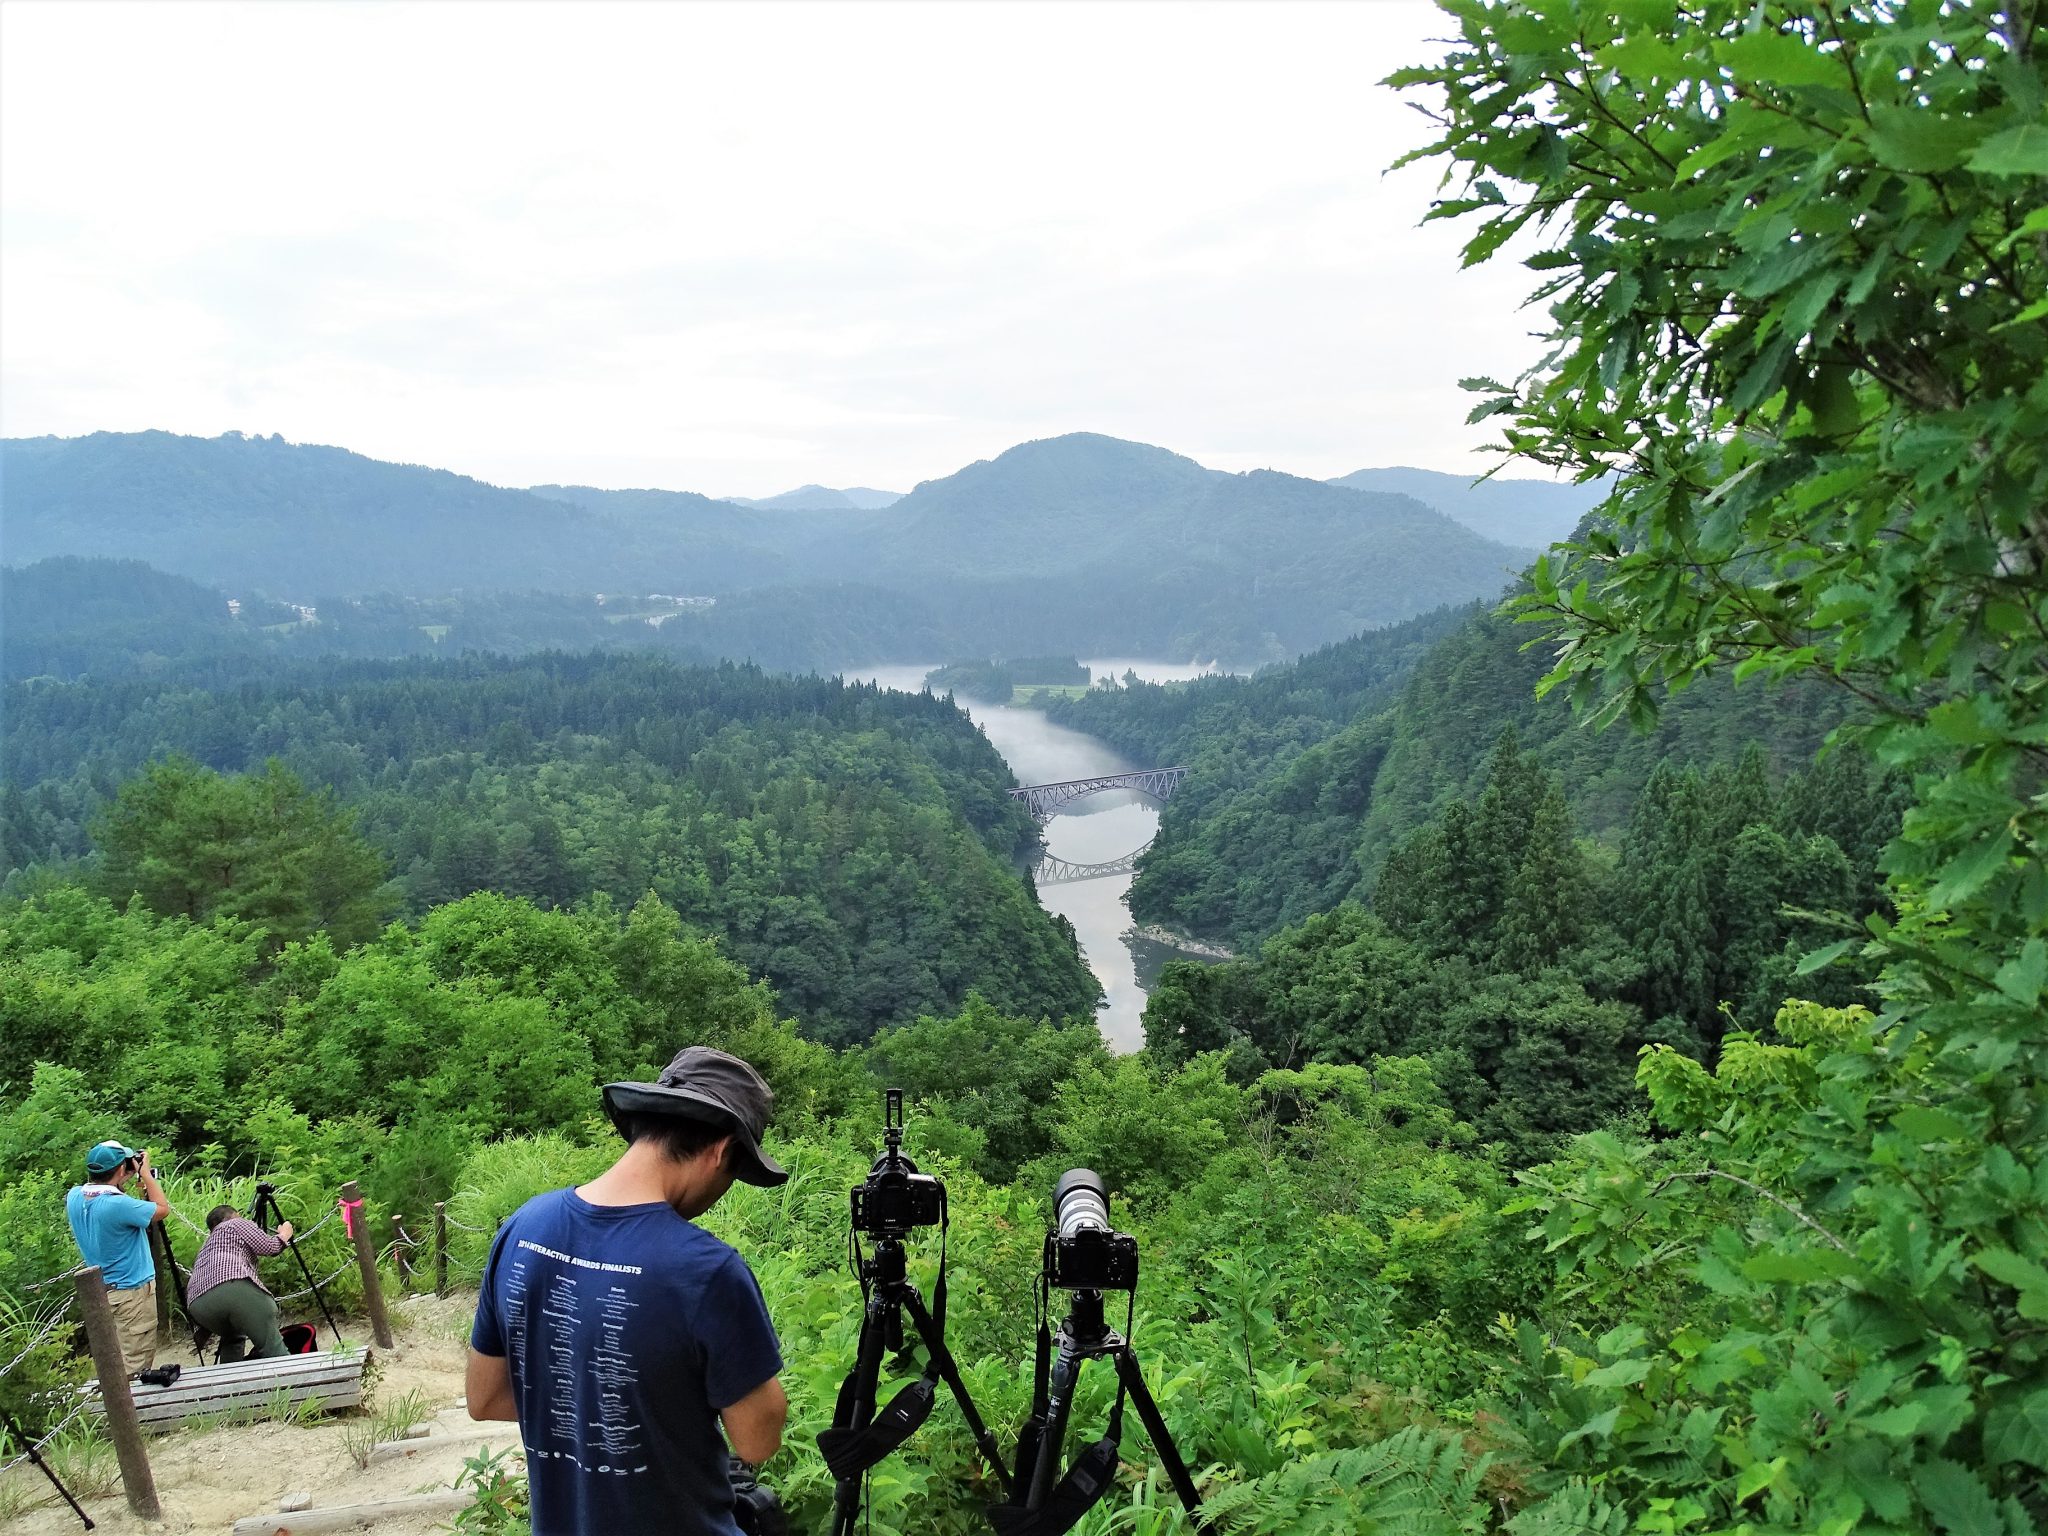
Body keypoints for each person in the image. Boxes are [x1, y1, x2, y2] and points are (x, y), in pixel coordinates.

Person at [467, 1046, 789, 1536]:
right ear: (721, 1152)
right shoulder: (707, 1271)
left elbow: (484, 1399)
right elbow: (757, 1441)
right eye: (734, 1175)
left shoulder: (523, 1228)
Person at [64, 1141, 171, 1374]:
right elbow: (161, 1208)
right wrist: (145, 1174)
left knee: (113, 1358)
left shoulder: (74, 1197)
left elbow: (120, 1202)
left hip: (101, 1291)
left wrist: (125, 1178)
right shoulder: (117, 1205)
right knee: (134, 1361)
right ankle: (130, 1408)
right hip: (131, 1292)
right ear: (122, 1170)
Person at [187, 1204, 295, 1361]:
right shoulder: (235, 1223)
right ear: (234, 1215)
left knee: (233, 1336)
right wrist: (285, 1234)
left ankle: (230, 1381)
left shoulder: (208, 1243)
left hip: (198, 1305)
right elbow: (270, 1247)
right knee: (273, 1348)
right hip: (233, 1286)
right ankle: (290, 1378)